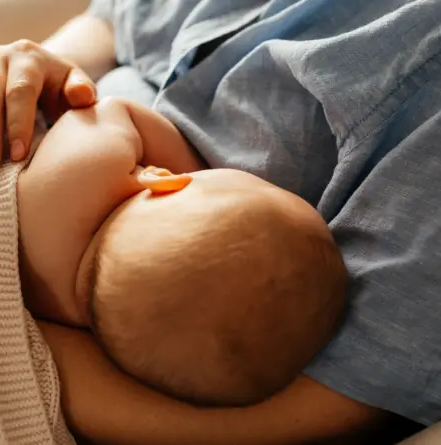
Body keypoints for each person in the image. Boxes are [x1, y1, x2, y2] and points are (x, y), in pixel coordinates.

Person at [0, 0, 441, 443]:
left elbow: (105, 113)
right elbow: (115, 22)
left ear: (161, 178)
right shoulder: (115, 309)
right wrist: (32, 63)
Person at [18, 96, 347, 406]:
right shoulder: (73, 322)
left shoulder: (80, 182)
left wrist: (185, 162)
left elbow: (108, 111)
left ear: (165, 181)